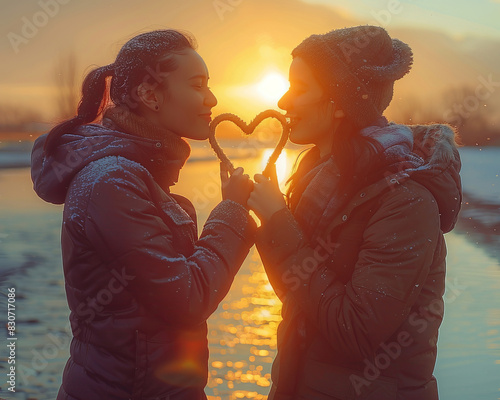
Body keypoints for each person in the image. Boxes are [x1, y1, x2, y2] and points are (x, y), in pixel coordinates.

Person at [31, 30, 256, 400]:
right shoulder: (113, 181)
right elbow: (188, 298)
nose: (212, 99)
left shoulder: (136, 174)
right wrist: (231, 211)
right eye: (198, 85)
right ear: (150, 95)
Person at [248, 25, 462, 399]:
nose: (283, 102)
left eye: (299, 88)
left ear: (340, 101)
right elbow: (296, 294)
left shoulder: (406, 200)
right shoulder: (319, 183)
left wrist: (279, 221)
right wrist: (264, 218)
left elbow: (356, 331)